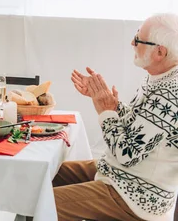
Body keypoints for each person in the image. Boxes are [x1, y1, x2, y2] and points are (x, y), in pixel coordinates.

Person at [54, 13, 178, 221]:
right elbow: (142, 127)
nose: (132, 42)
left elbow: (126, 153)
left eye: (138, 39)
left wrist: (105, 110)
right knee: (43, 173)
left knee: (40, 203)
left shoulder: (171, 94)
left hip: (137, 195)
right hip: (119, 175)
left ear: (159, 52)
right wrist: (114, 105)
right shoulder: (161, 77)